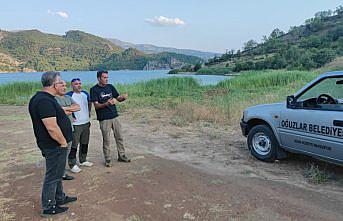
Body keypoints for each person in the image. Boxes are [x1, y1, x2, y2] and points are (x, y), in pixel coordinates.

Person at [28, 71, 77, 216]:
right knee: (52, 176)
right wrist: (63, 143)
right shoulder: (44, 101)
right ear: (53, 84)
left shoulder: (47, 98)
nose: (64, 84)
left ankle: (59, 197)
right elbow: (51, 127)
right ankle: (48, 207)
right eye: (61, 82)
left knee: (57, 173)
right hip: (54, 145)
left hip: (55, 145)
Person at [90, 70, 130, 167]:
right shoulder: (94, 90)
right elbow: (96, 106)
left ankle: (122, 155)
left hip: (114, 116)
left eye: (107, 77)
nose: (106, 79)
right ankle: (107, 159)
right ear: (99, 78)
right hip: (104, 118)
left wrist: (123, 98)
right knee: (107, 139)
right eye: (104, 77)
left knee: (119, 137)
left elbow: (118, 98)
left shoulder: (110, 87)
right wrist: (106, 103)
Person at [66, 78, 93, 172]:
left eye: (80, 83)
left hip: (86, 122)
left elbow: (89, 103)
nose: (79, 85)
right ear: (72, 85)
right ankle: (72, 164)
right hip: (76, 124)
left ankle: (83, 160)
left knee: (85, 143)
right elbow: (66, 108)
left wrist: (89, 112)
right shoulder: (69, 95)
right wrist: (72, 116)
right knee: (74, 144)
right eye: (76, 84)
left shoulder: (85, 94)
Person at [55, 80, 80, 179]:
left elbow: (78, 107)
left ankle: (62, 173)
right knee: (59, 152)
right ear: (56, 87)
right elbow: (58, 112)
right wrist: (69, 108)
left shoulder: (68, 97)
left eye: (65, 86)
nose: (64, 88)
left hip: (69, 128)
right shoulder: (53, 99)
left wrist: (64, 109)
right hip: (59, 130)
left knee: (66, 152)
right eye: (62, 86)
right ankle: (59, 173)